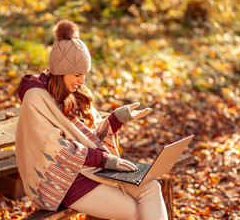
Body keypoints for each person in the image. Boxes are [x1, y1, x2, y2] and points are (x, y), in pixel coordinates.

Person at [15, 19, 168, 220]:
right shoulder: (36, 97)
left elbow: (89, 133)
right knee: (134, 211)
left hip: (93, 170)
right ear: (60, 72)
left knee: (151, 187)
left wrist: (116, 119)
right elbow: (54, 147)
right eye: (78, 74)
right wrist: (105, 160)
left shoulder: (74, 93)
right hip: (63, 181)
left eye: (85, 74)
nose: (82, 81)